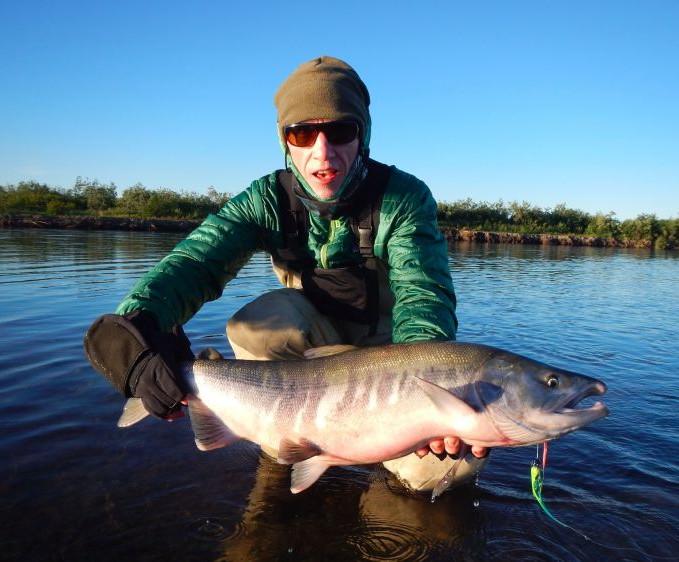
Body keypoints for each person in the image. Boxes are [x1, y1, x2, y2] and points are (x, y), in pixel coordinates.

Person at [84, 55, 488, 493]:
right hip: (308, 348)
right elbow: (195, 263)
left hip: (390, 353)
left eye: (339, 130)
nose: (322, 151)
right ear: (285, 141)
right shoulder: (265, 198)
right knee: (256, 324)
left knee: (447, 473)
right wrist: (138, 327)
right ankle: (279, 433)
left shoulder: (403, 198)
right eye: (302, 133)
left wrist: (427, 395)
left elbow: (423, 296)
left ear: (362, 136)